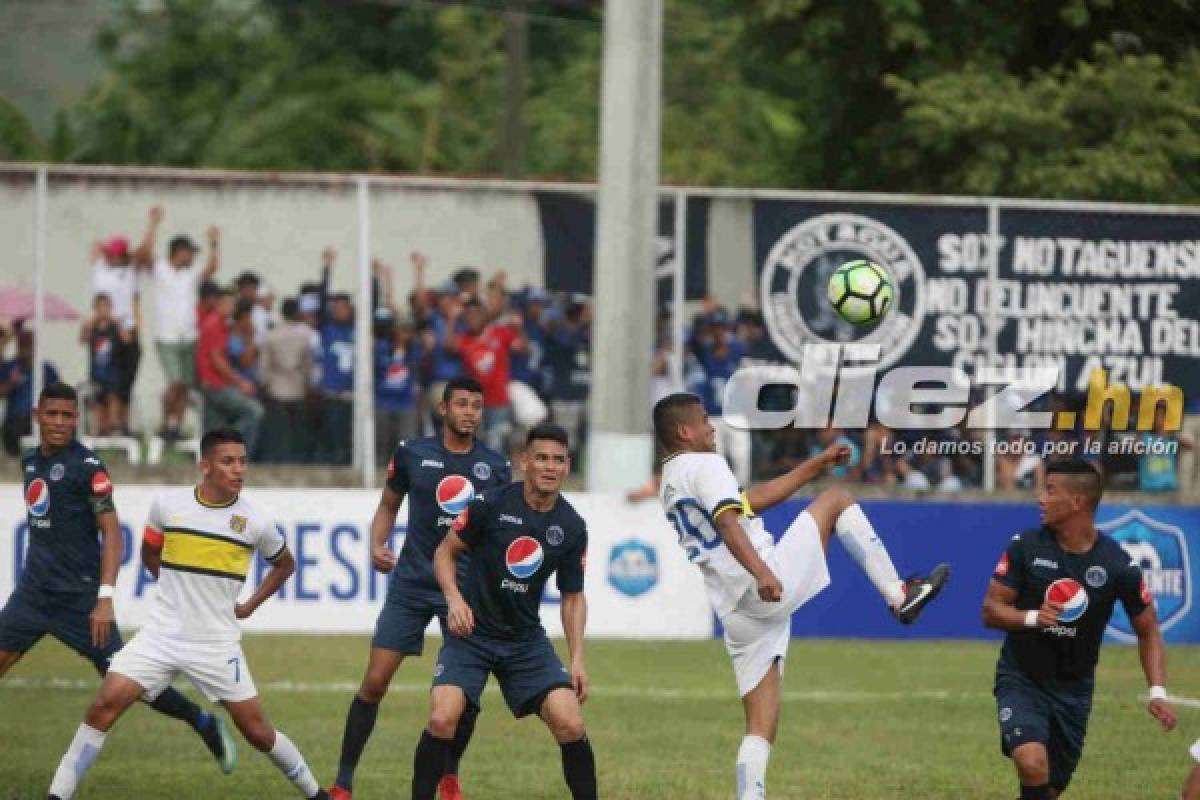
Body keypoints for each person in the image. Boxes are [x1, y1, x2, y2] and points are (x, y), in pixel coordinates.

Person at [651, 392, 949, 800]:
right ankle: (899, 595)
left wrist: (816, 465)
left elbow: (746, 503)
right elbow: (726, 521)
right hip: (760, 582)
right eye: (704, 421)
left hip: (734, 609)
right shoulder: (704, 463)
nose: (711, 427)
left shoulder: (671, 477)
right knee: (837, 501)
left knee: (760, 728)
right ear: (685, 431)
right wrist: (762, 572)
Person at [46, 427, 330, 799]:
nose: (238, 470)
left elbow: (285, 565)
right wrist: (175, 589)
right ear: (205, 466)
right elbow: (150, 553)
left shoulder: (256, 522)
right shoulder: (169, 506)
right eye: (228, 462)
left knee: (259, 733)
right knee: (103, 707)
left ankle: (317, 795)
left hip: (215, 644)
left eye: (242, 462)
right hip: (160, 636)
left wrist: (248, 605)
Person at [0, 384, 232, 779]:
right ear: (37, 414)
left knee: (128, 683)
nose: (59, 423)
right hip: (33, 594)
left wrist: (104, 597)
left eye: (67, 416)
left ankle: (202, 722)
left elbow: (113, 532)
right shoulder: (29, 462)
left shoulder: (88, 467)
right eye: (52, 415)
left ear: (78, 418)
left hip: (80, 601)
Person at [329, 376, 510, 800]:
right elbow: (388, 506)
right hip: (411, 583)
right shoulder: (412, 453)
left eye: (477, 406)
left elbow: (500, 531)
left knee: (462, 693)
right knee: (374, 681)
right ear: (443, 409)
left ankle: (450, 775)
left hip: (465, 592)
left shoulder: (496, 467)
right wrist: (377, 543)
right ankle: (343, 781)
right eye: (462, 404)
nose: (470, 412)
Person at [413, 422, 595, 800]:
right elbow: (445, 552)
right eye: (541, 458)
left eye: (558, 460)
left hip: (525, 642)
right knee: (442, 717)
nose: (549, 467)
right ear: (524, 461)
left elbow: (573, 596)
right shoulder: (489, 505)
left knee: (571, 724)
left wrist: (577, 658)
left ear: (567, 466)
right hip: (472, 635)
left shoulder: (572, 526)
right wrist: (453, 598)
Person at [982, 459, 1177, 799]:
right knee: (1031, 763)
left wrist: (1157, 691)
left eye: (1050, 490)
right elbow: (991, 610)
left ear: (1077, 502)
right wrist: (1032, 617)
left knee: (1047, 790)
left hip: (1074, 692)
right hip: (1022, 678)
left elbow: (1148, 630)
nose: (1040, 498)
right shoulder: (1026, 545)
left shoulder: (1118, 565)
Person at [136, 206, 220, 439]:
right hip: (167, 338)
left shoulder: (190, 274)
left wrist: (214, 245)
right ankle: (165, 422)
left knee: (184, 385)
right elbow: (144, 255)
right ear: (179, 252)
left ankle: (176, 427)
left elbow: (211, 269)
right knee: (174, 382)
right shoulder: (161, 270)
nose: (192, 256)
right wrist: (153, 224)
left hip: (189, 337)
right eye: (190, 252)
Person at [196, 288, 263, 455]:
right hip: (216, 384)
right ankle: (229, 449)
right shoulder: (214, 325)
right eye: (230, 304)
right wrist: (240, 382)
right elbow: (217, 360)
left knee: (213, 428)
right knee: (254, 411)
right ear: (220, 304)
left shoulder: (221, 325)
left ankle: (217, 453)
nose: (233, 308)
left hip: (213, 383)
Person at [259, 297, 315, 462]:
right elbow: (307, 365)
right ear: (297, 313)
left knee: (277, 429)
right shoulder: (304, 337)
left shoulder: (271, 336)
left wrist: (264, 384)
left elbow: (264, 365)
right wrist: (307, 384)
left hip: (276, 387)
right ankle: (294, 459)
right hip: (297, 387)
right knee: (295, 429)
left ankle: (276, 458)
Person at [0, 326, 60, 456]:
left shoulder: (46, 369)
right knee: (11, 431)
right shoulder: (10, 367)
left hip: (40, 416)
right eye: (22, 344)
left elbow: (59, 393)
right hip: (15, 419)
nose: (26, 348)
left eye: (29, 344)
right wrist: (12, 383)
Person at [79, 293, 130, 435]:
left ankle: (114, 425)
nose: (103, 311)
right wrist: (91, 323)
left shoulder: (115, 326)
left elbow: (127, 340)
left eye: (106, 307)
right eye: (100, 307)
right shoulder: (92, 327)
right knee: (96, 399)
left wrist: (116, 322)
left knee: (113, 396)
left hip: (113, 373)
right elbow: (82, 339)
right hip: (96, 373)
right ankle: (102, 428)